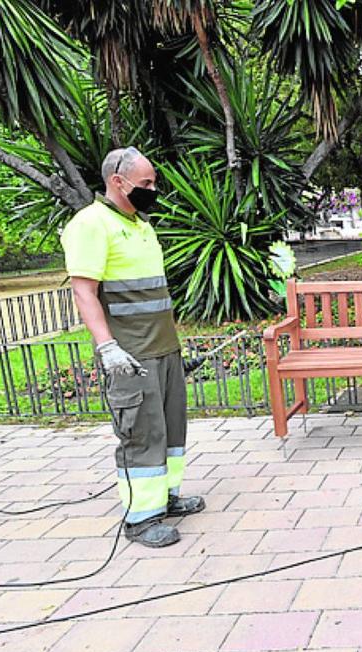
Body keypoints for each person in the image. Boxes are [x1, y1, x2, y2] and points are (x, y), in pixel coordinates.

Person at [60, 146, 205, 548]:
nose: (152, 189)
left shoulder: (141, 224)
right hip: (131, 356)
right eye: (146, 183)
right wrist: (107, 348)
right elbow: (84, 292)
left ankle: (167, 497)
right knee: (142, 433)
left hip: (162, 349)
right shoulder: (91, 225)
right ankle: (141, 519)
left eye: (153, 182)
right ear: (117, 182)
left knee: (171, 430)